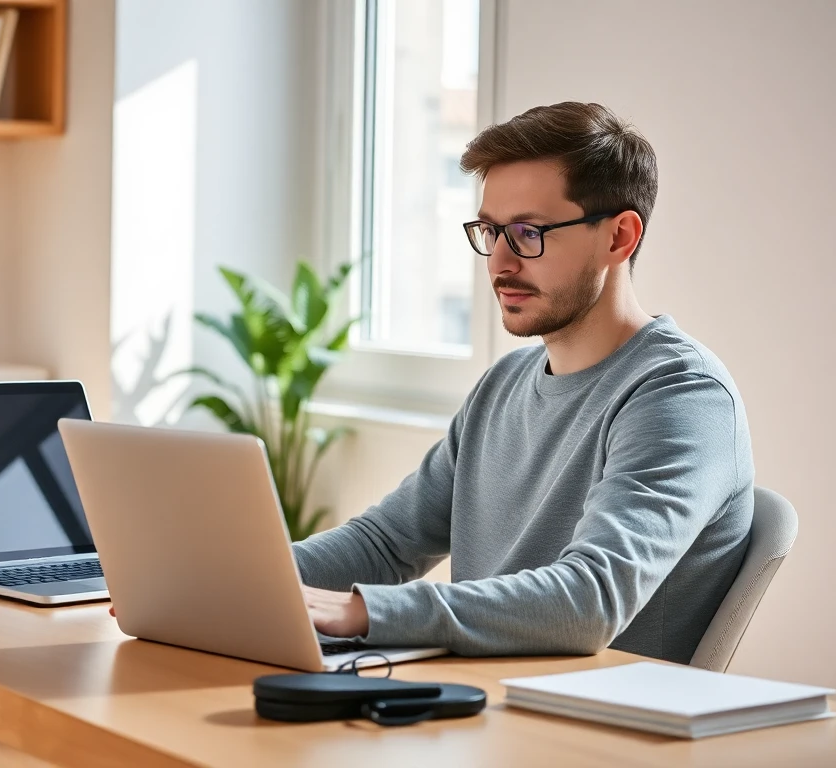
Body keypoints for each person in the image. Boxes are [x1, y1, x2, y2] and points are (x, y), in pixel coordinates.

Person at [292, 102, 753, 665]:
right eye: (491, 231)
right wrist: (245, 577)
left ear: (619, 237)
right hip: (475, 697)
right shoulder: (503, 385)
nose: (499, 262)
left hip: (587, 717)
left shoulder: (683, 395)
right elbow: (385, 544)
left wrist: (364, 611)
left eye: (528, 232)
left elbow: (589, 601)